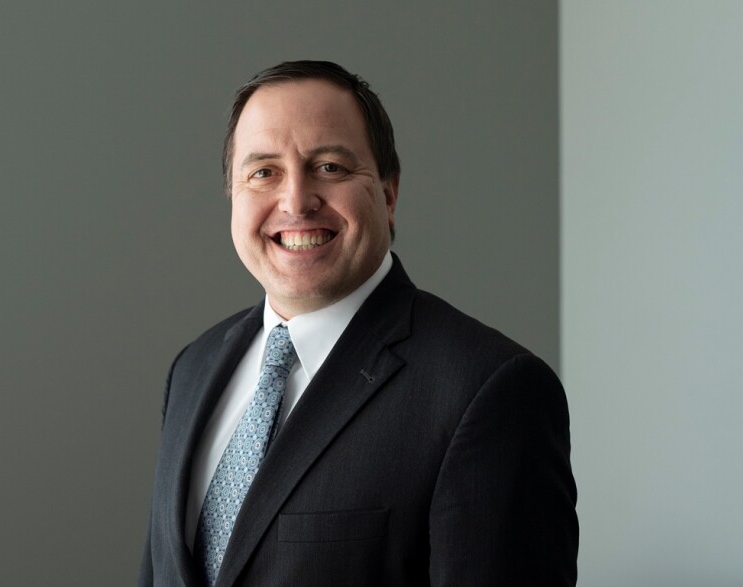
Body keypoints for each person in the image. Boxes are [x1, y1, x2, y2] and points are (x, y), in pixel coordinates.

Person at [139, 60, 578, 587]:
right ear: (233, 196)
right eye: (263, 172)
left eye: (330, 167)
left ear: (389, 194)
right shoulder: (194, 368)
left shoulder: (487, 389)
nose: (296, 200)